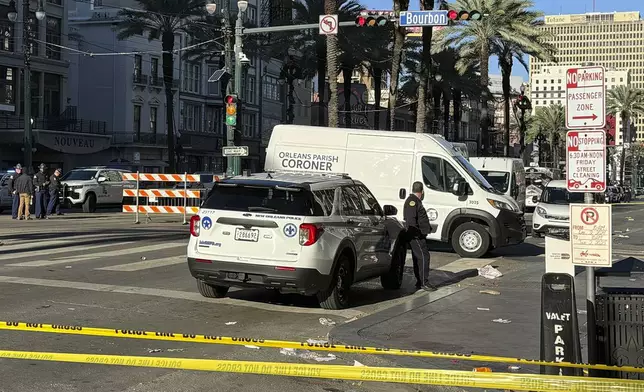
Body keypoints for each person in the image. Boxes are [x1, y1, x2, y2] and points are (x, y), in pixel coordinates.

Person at [403, 181, 436, 292]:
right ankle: (423, 282)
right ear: (422, 192)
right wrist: (417, 234)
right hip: (416, 236)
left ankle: (420, 281)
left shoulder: (415, 201)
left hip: (417, 235)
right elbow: (411, 220)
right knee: (423, 257)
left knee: (418, 258)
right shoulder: (412, 201)